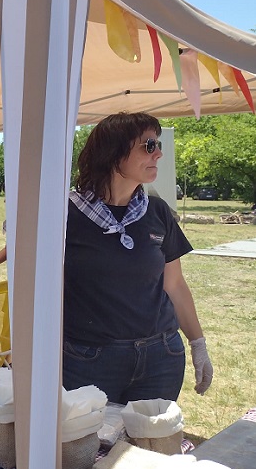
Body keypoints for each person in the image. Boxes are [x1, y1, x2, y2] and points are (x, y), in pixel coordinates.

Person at [63, 112, 213, 405]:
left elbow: (175, 285)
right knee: (86, 447)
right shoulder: (64, 214)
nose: (159, 153)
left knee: (148, 447)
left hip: (161, 357)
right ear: (113, 152)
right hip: (87, 359)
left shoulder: (157, 212)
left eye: (158, 145)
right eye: (149, 146)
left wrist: (198, 343)